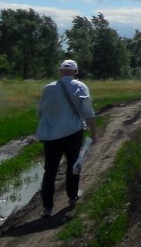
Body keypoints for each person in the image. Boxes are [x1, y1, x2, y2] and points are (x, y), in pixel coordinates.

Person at [36, 59, 97, 217]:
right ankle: (72, 196)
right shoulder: (80, 86)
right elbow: (88, 112)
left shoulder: (48, 88)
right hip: (72, 133)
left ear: (60, 71)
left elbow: (41, 112)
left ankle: (47, 208)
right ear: (75, 72)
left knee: (50, 171)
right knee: (74, 165)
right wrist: (94, 132)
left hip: (50, 136)